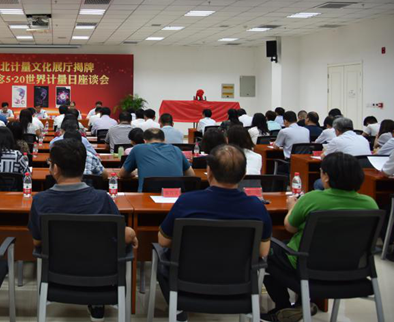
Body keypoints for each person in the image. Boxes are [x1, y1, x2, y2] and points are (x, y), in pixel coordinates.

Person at [27, 138, 137, 322]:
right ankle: (97, 304)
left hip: (57, 274)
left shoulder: (40, 201)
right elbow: (121, 235)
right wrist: (132, 234)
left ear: (55, 168)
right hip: (100, 275)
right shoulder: (103, 199)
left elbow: (37, 241)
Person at [261, 153, 378, 322]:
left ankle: (284, 306)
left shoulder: (313, 198)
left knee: (267, 250)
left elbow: (290, 227)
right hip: (350, 268)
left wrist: (292, 207)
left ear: (327, 177)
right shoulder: (370, 203)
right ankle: (302, 303)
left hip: (307, 266)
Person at [159, 146, 272, 305]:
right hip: (238, 283)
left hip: (187, 279)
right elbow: (263, 251)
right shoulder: (256, 207)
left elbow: (164, 241)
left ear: (209, 171)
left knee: (160, 260)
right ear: (243, 175)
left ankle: (179, 310)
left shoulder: (187, 201)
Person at [120, 128, 194, 191]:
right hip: (175, 196)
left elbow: (123, 174)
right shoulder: (176, 149)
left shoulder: (138, 148)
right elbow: (191, 174)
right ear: (164, 140)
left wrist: (134, 173)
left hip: (146, 196)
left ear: (144, 141)